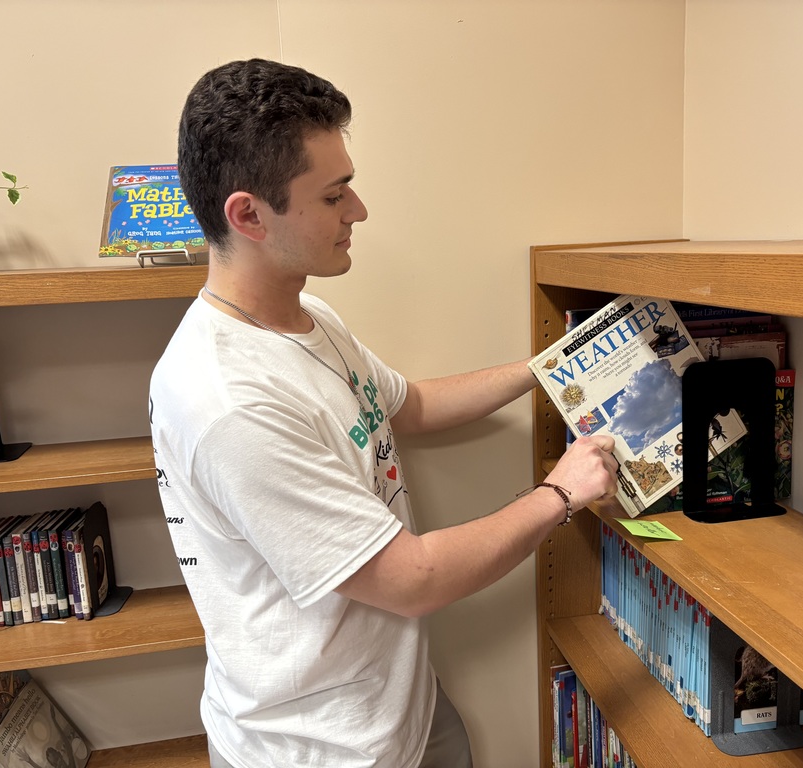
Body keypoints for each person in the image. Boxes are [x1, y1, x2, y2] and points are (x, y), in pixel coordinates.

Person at [149, 58, 619, 768]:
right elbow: (411, 580)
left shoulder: (309, 319)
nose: (358, 211)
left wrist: (550, 367)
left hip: (400, 710)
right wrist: (561, 492)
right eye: (335, 195)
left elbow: (410, 404)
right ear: (248, 214)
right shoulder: (228, 401)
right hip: (318, 748)